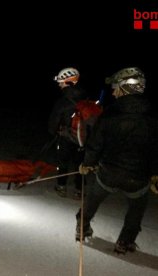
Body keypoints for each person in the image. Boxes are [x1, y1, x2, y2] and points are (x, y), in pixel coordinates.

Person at [76, 67, 158, 254]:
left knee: (93, 199)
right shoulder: (153, 117)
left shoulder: (110, 114)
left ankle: (82, 226)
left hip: (108, 174)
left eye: (116, 87)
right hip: (138, 177)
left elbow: (95, 144)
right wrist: (154, 174)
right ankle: (125, 241)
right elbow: (155, 150)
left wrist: (88, 164)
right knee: (137, 208)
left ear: (126, 88)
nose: (113, 91)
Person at [48, 67, 87, 198]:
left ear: (69, 82)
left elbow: (54, 121)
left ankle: (61, 187)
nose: (59, 85)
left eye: (61, 82)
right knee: (80, 165)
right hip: (82, 140)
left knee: (63, 162)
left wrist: (53, 132)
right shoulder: (85, 98)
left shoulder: (63, 101)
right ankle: (79, 190)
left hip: (65, 138)